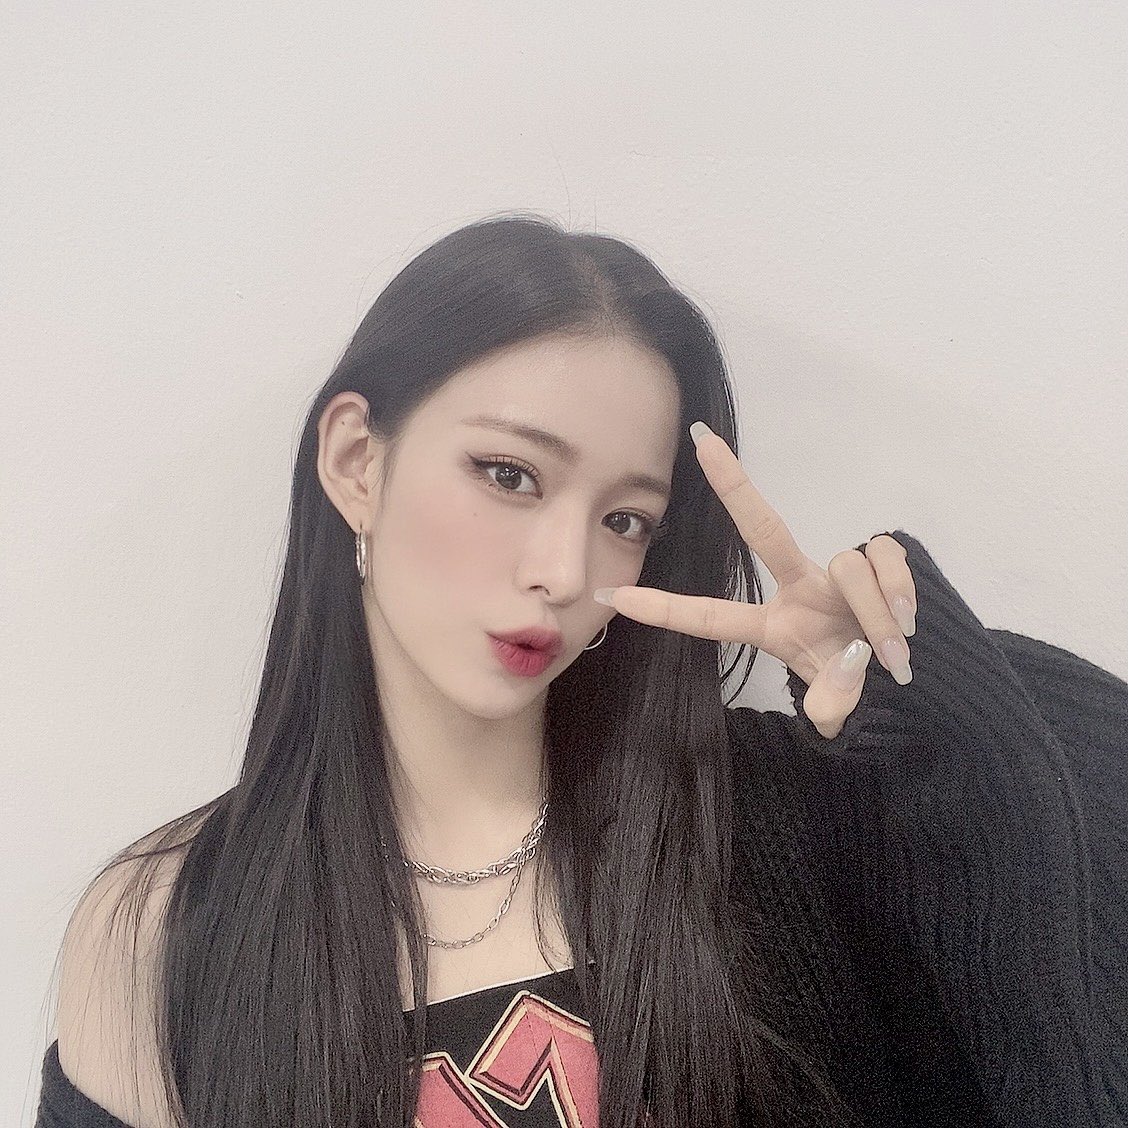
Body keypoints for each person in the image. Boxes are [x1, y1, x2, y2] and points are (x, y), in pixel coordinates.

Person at [35, 214, 1126, 1128]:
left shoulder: (775, 819)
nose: (564, 572)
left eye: (625, 519)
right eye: (509, 474)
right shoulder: (163, 927)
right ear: (357, 463)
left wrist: (916, 701)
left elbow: (1068, 998)